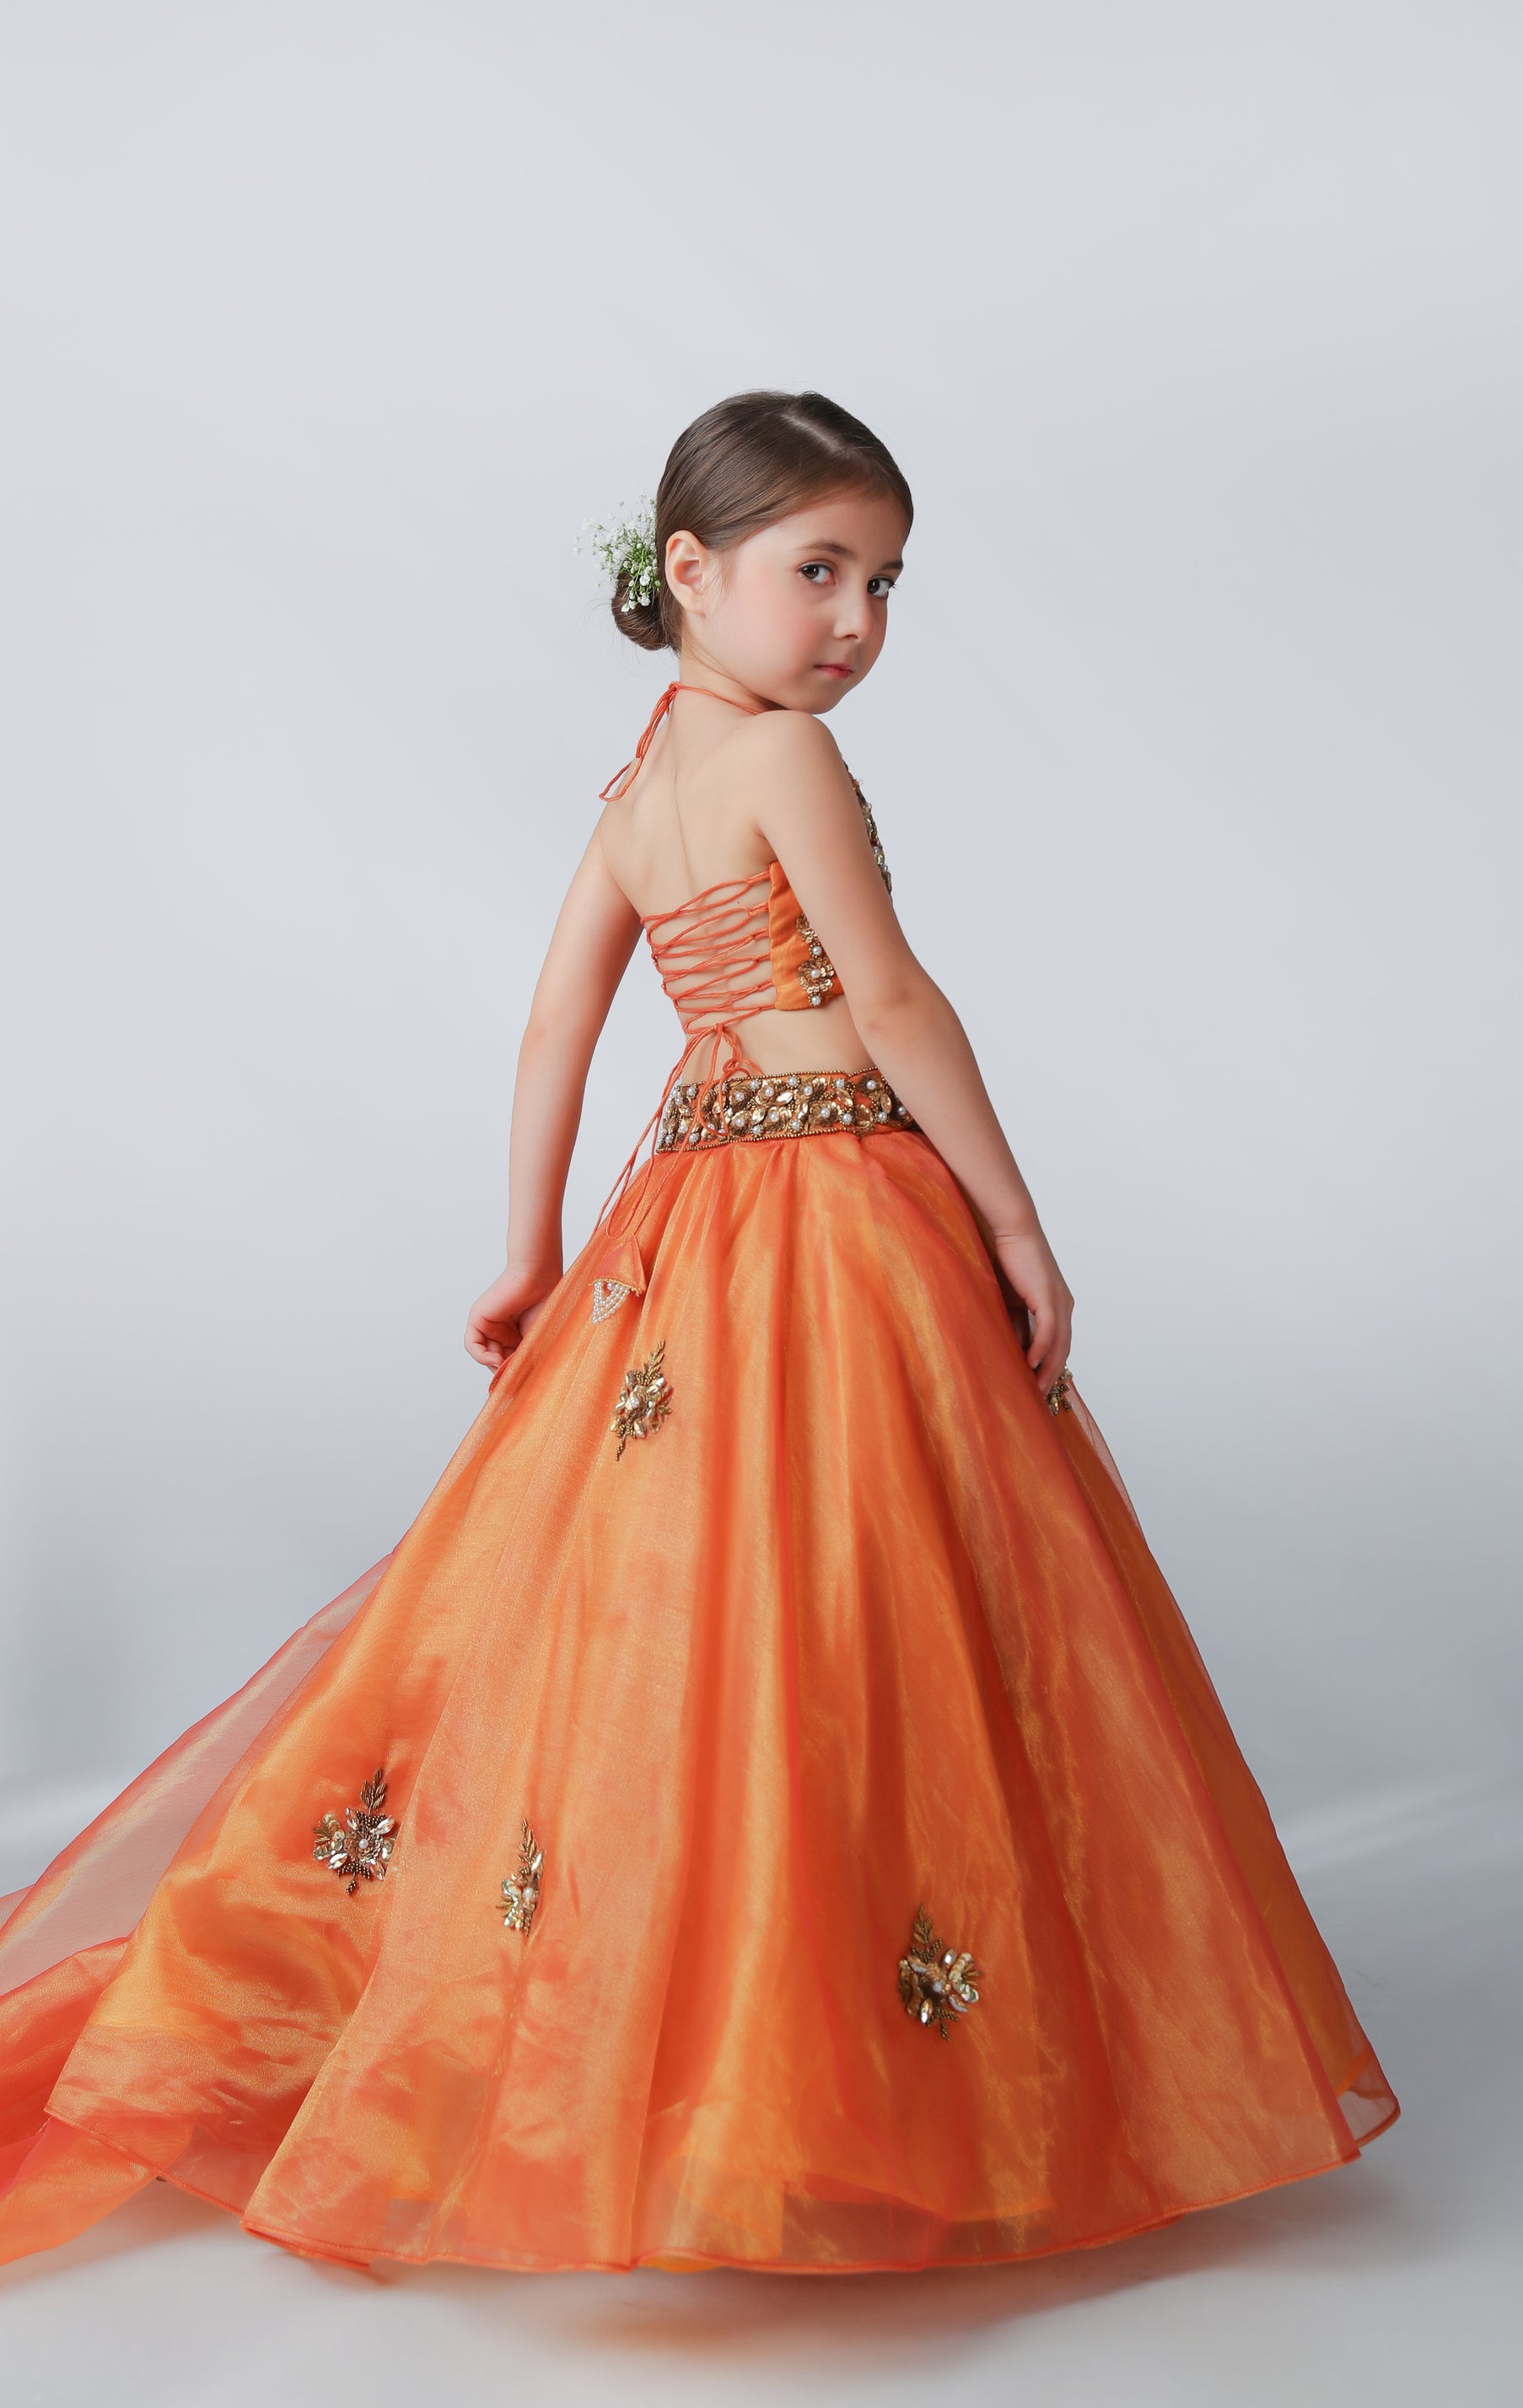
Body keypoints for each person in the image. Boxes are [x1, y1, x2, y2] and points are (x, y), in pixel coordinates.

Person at [0, 390, 1397, 2277]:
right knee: (846, 1609)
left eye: (884, 582)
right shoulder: (785, 762)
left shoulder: (647, 776)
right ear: (688, 570)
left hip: (678, 1233)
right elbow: (888, 997)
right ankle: (836, 2069)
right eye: (815, 569)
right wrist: (1013, 1216)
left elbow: (554, 1026)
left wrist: (528, 1249)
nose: (853, 621)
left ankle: (702, 2050)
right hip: (833, 1211)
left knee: (693, 1628)